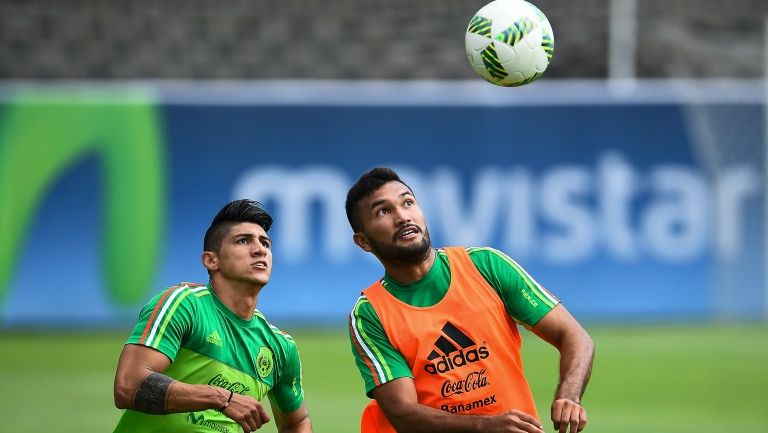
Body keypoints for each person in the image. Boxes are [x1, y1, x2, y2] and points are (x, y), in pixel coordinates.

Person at [345, 168, 595, 433]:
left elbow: (575, 337)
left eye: (408, 202)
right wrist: (485, 426)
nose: (402, 216)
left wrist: (569, 395)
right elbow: (404, 415)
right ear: (363, 242)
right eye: (383, 211)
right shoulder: (370, 314)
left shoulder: (486, 266)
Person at [112, 199, 312, 433]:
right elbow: (128, 386)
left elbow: (296, 422)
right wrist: (222, 398)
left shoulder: (280, 346)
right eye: (243, 240)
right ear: (211, 260)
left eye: (265, 243)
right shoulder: (184, 305)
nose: (260, 249)